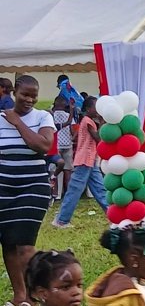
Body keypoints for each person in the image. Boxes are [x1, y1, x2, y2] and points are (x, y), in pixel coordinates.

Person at [0, 75, 54, 306]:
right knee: (8, 243)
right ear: (14, 93)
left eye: (34, 95)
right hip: (4, 188)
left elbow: (43, 145)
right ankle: (19, 297)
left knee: (24, 244)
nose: (30, 99)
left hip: (32, 187)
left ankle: (35, 297)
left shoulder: (43, 117)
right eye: (25, 94)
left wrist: (17, 123)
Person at [53, 97, 108, 228]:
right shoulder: (88, 121)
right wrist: (102, 122)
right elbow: (98, 138)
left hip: (90, 160)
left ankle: (114, 215)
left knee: (100, 189)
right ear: (88, 109)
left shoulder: (88, 120)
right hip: (84, 160)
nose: (98, 110)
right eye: (95, 107)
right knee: (75, 190)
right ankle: (62, 220)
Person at [51, 96, 76, 198]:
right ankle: (69, 194)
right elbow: (73, 130)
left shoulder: (51, 116)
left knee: (56, 171)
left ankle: (57, 194)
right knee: (67, 170)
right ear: (65, 105)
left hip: (56, 145)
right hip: (68, 144)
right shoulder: (68, 115)